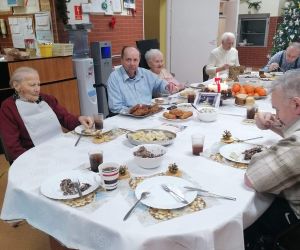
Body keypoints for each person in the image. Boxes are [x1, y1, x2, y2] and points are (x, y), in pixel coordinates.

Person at [243, 69, 300, 249]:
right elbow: (292, 131)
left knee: (243, 219)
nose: (276, 115)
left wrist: (264, 154)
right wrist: (270, 125)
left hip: (293, 227)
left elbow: (254, 177)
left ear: (296, 105)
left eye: (277, 109)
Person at [0, 67, 93, 162]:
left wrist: (80, 119)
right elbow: (13, 147)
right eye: (32, 85)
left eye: (38, 84)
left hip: (59, 148)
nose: (37, 89)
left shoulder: (47, 99)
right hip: (34, 156)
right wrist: (33, 161)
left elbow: (65, 118)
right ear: (16, 86)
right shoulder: (8, 107)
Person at [107, 46, 177, 113]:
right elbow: (115, 107)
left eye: (135, 60)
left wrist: (167, 86)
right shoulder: (114, 78)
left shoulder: (145, 73)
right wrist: (133, 111)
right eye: (128, 60)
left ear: (139, 60)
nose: (132, 63)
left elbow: (159, 83)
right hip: (127, 118)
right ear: (121, 60)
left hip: (149, 114)